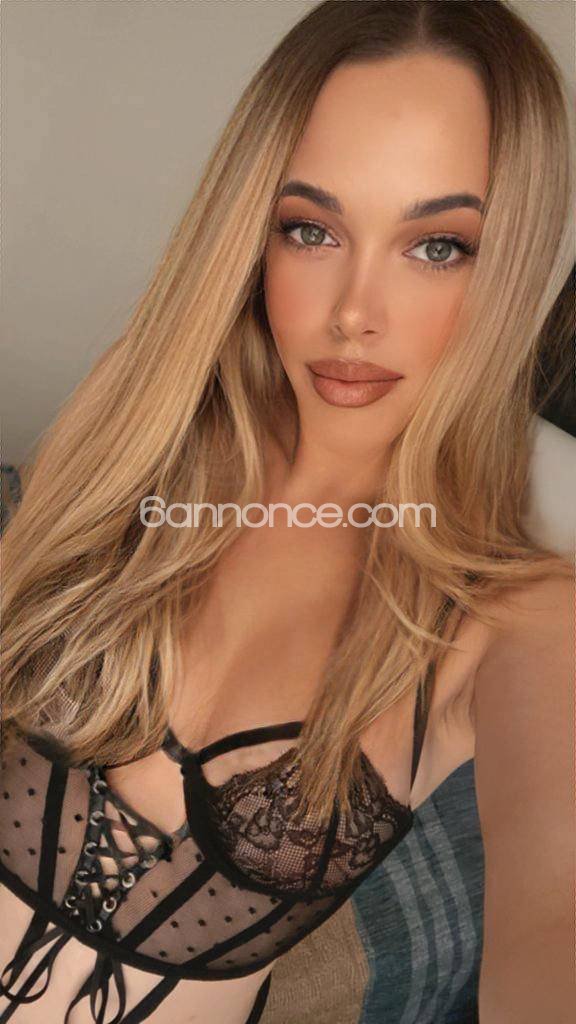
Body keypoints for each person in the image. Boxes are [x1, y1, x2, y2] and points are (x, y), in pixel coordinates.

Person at [0, 1, 573, 1022]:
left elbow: (555, 925)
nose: (354, 311)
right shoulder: (139, 427)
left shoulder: (517, 619)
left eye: (438, 247)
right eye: (311, 229)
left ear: (513, 262)